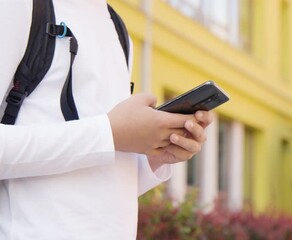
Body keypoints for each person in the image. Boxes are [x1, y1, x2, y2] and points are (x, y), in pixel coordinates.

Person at [0, 0, 213, 239]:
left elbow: (97, 182)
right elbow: (105, 138)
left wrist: (156, 155)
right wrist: (109, 134)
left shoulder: (117, 28)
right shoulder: (17, 6)